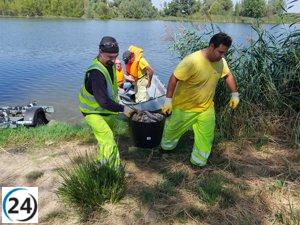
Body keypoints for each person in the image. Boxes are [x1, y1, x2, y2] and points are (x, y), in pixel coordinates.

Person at [161, 32, 240, 167]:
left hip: (206, 108)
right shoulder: (192, 61)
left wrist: (234, 94)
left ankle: (198, 161)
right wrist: (168, 101)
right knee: (169, 138)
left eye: (224, 53)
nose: (222, 56)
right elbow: (174, 78)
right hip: (184, 107)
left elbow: (228, 76)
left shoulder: (221, 61)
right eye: (220, 52)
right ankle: (166, 149)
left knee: (206, 137)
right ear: (211, 46)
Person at [78, 36, 135, 169]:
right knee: (108, 138)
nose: (113, 60)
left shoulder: (109, 64)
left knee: (105, 139)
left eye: (115, 56)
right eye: (109, 57)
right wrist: (123, 109)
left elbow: (111, 89)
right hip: (92, 111)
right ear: (100, 52)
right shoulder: (96, 73)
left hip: (105, 110)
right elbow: (103, 101)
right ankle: (113, 170)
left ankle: (102, 161)